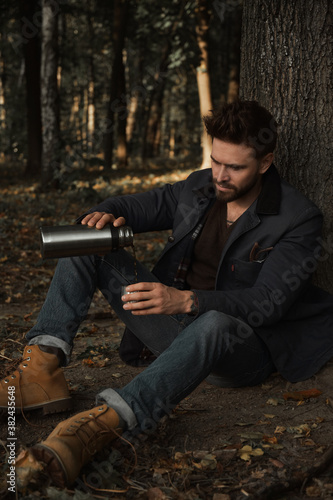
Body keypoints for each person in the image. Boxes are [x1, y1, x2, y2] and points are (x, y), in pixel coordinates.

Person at [2, 100, 333, 487]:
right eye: (216, 162)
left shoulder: (298, 218)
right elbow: (133, 205)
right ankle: (41, 371)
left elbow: (269, 304)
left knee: (214, 323)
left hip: (241, 348)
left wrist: (187, 300)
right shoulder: (198, 186)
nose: (221, 177)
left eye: (236, 167)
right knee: (88, 241)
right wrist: (103, 213)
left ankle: (105, 423)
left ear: (265, 162)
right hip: (176, 325)